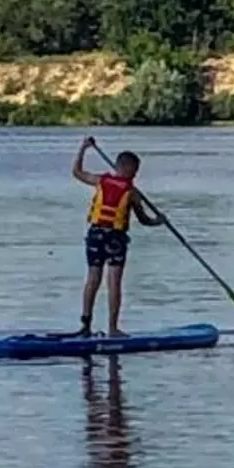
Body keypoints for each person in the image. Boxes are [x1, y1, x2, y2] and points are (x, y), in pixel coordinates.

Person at [71, 134, 161, 338]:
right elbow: (144, 220)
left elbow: (76, 172)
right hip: (115, 239)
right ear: (129, 169)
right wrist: (159, 220)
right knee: (111, 282)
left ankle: (88, 326)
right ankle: (110, 328)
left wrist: (83, 148)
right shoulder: (132, 193)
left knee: (94, 278)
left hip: (96, 234)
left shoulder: (101, 181)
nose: (136, 175)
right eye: (135, 171)